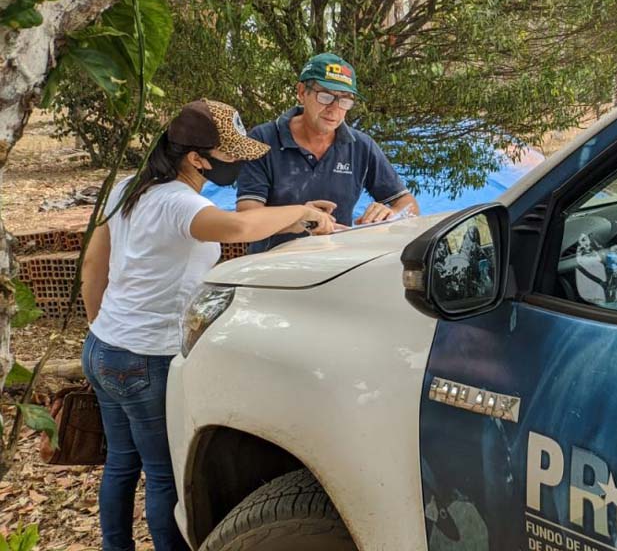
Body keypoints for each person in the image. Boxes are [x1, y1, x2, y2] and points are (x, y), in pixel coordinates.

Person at [80, 99, 336, 551]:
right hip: (146, 359)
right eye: (230, 155)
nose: (236, 163)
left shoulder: (127, 187)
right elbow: (238, 228)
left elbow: (93, 268)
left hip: (104, 346)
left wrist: (102, 328)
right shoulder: (181, 205)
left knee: (121, 463)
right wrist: (303, 215)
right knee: (164, 476)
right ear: (197, 159)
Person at [237, 52, 419, 253]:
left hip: (335, 268)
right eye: (325, 96)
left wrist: (392, 213)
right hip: (271, 268)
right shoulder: (263, 139)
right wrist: (301, 219)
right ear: (301, 92)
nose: (334, 109)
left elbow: (409, 205)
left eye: (345, 100)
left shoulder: (360, 146)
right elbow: (247, 217)